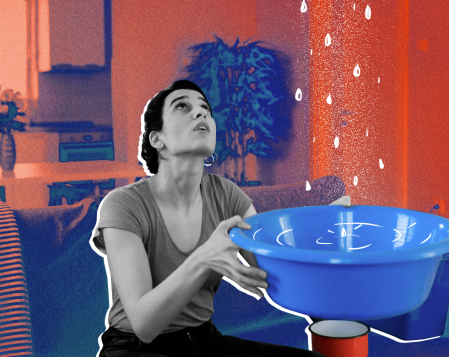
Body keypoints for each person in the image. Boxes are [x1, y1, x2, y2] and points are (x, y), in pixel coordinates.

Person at [90, 80, 344, 356]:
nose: (200, 113)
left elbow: (270, 270)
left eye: (204, 109)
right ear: (157, 139)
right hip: (134, 348)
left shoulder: (226, 195)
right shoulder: (123, 204)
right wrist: (204, 258)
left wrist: (319, 231)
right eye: (182, 107)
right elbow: (144, 324)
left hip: (204, 342)